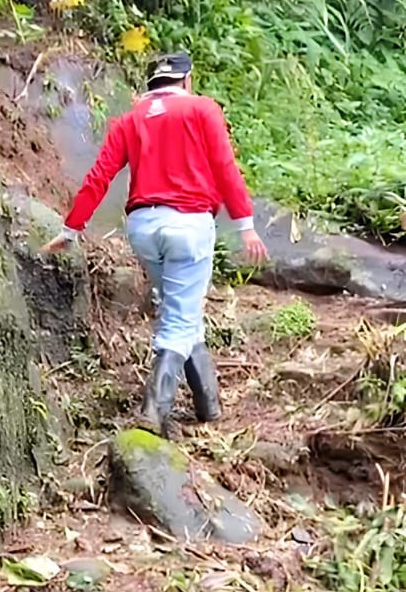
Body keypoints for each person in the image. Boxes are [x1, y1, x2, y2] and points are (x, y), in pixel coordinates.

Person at [42, 52, 270, 437]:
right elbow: (225, 167)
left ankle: (208, 405)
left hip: (144, 228)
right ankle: (154, 410)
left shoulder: (129, 119)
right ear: (186, 80)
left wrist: (71, 229)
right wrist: (245, 225)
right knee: (180, 317)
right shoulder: (203, 110)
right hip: (189, 226)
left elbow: (99, 176)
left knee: (180, 307)